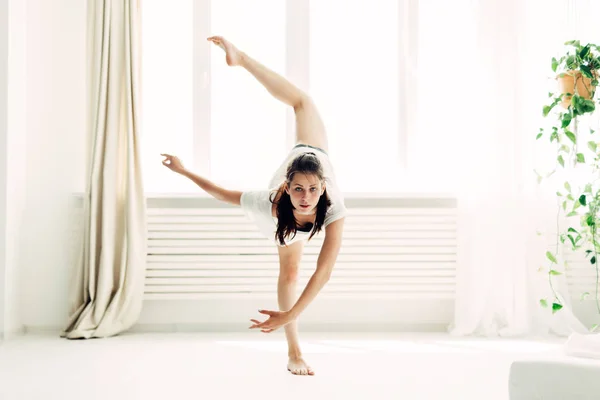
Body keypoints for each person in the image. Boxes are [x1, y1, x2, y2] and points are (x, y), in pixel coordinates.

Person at [161, 36, 347, 376]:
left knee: (303, 102)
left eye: (312, 191)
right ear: (286, 189)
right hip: (288, 218)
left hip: (312, 155)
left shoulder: (333, 205)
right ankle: (294, 351)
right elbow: (221, 193)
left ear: (322, 189)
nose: (305, 197)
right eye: (298, 191)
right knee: (290, 272)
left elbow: (324, 272)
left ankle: (241, 58)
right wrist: (184, 170)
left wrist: (290, 314)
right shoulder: (273, 205)